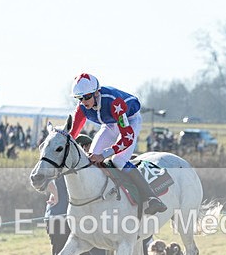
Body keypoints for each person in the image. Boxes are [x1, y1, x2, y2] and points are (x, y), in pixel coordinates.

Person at [68, 73, 166, 215]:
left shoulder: (115, 103)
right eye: (79, 98)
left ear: (97, 92)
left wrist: (105, 154)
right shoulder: (82, 107)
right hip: (110, 124)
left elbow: (127, 138)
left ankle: (151, 198)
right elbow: (72, 134)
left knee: (118, 159)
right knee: (91, 160)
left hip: (130, 120)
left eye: (87, 97)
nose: (83, 102)